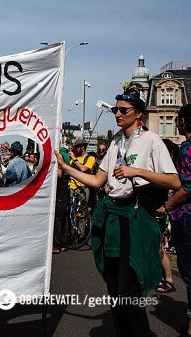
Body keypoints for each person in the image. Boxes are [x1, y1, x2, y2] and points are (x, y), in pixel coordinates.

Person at [56, 87, 180, 337]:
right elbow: (97, 181)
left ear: (139, 114)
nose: (117, 114)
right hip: (112, 217)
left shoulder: (151, 141)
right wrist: (65, 167)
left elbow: (174, 182)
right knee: (113, 285)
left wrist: (138, 171)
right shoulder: (115, 142)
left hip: (134, 219)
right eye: (116, 109)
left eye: (124, 110)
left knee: (128, 287)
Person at [165, 104, 191, 336]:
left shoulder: (187, 148)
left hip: (186, 216)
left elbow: (187, 187)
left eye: (178, 119)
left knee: (189, 273)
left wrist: (168, 206)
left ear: (183, 122)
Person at [155, 139, 179, 294]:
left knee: (159, 247)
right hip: (159, 211)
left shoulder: (170, 172)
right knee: (156, 247)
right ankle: (160, 278)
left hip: (163, 212)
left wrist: (166, 207)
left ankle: (168, 279)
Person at [67, 138, 96, 208]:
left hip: (82, 189)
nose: (75, 149)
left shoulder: (91, 158)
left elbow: (83, 169)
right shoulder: (75, 157)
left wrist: (74, 159)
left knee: (81, 212)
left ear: (82, 147)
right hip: (71, 188)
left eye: (77, 147)